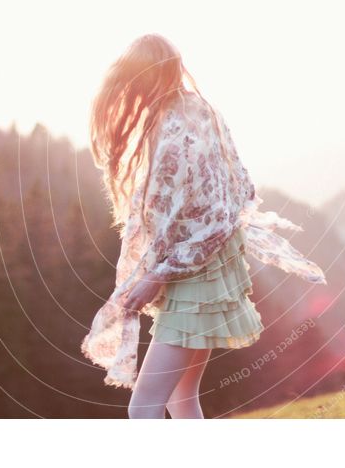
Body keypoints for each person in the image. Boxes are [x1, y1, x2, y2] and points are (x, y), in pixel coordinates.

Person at [82, 33, 326, 418]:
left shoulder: (178, 125)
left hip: (195, 280)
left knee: (142, 408)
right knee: (181, 400)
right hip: (206, 272)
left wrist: (155, 276)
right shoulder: (197, 111)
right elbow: (236, 192)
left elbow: (212, 217)